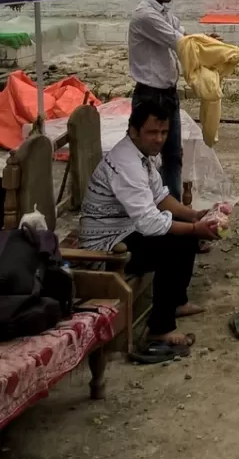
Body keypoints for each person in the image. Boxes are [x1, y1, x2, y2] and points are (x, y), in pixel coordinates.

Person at [79, 95, 217, 361]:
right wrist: (195, 228)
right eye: (152, 132)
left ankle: (176, 301)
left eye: (164, 132)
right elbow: (149, 222)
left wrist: (195, 215)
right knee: (173, 244)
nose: (159, 138)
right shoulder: (126, 162)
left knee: (185, 231)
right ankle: (159, 329)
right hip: (105, 245)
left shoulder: (143, 154)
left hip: (125, 229)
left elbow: (160, 197)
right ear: (133, 130)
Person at [128, 0, 184, 200]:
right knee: (141, 154)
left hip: (167, 94)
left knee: (172, 155)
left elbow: (183, 33)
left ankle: (172, 210)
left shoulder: (163, 12)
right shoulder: (145, 16)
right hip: (151, 96)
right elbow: (179, 41)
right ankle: (141, 205)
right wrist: (208, 47)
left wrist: (206, 39)